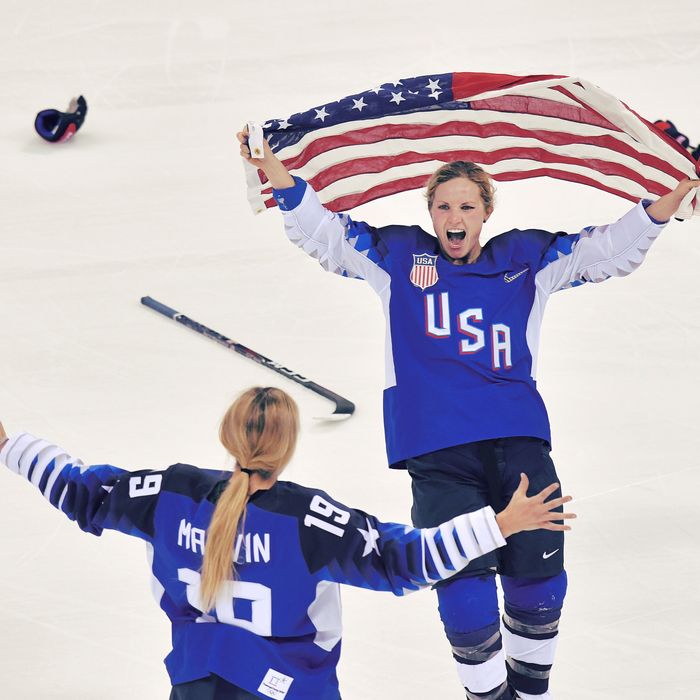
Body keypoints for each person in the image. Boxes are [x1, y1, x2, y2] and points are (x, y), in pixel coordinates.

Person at [238, 130, 699, 700]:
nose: (453, 216)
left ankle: (531, 694)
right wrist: (276, 173)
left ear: (486, 212)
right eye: (442, 205)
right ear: (430, 212)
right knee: (465, 587)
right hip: (437, 450)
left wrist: (674, 194)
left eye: (466, 205)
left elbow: (608, 249)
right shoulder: (398, 258)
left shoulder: (527, 259)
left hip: (520, 443)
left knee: (538, 578)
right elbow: (325, 234)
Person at [0, 386, 573, 700]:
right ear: (288, 445)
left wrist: (8, 445)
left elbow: (79, 492)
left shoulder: (169, 494)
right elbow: (408, 561)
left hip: (196, 687)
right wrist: (498, 525)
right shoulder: (308, 522)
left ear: (227, 436)